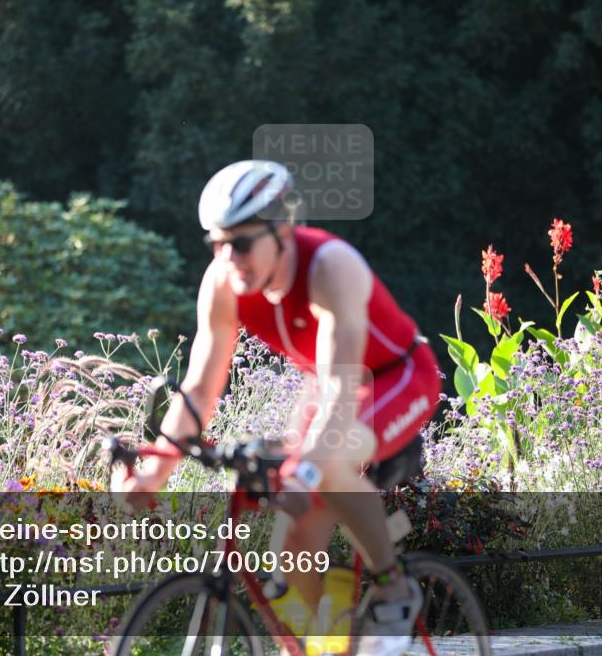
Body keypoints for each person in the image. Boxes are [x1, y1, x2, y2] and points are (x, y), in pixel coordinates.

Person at [113, 160, 442, 655]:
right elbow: (200, 388)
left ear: (282, 230)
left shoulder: (330, 267)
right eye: (218, 244)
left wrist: (305, 472)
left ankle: (393, 587)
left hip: (395, 377)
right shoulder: (223, 283)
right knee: (290, 555)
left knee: (325, 462)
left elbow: (341, 387)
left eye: (242, 243)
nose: (229, 258)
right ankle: (330, 645)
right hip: (327, 387)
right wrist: (155, 471)